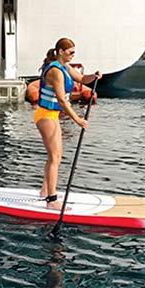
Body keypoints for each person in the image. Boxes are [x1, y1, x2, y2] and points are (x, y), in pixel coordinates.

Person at [34, 38, 101, 209]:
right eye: (70, 52)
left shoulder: (65, 67)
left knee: (54, 156)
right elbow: (62, 101)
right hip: (45, 116)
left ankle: (45, 191)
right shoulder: (55, 71)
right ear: (61, 52)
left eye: (74, 53)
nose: (72, 55)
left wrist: (93, 76)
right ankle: (51, 200)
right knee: (55, 157)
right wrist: (77, 120)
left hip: (53, 115)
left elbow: (82, 78)